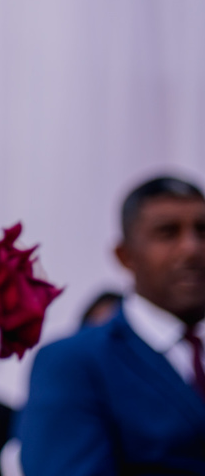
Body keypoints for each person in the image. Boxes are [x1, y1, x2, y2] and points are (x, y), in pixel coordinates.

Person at [19, 175, 205, 474]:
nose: (192, 249)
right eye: (168, 233)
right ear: (125, 255)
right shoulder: (74, 363)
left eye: (202, 230)